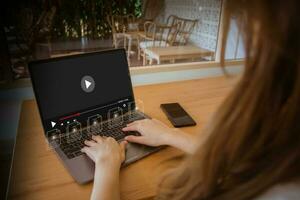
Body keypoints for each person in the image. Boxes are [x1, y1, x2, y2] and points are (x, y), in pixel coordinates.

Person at [81, 0, 300, 199]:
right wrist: (170, 135)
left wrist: (106, 167)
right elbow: (249, 164)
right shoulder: (285, 138)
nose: (243, 28)